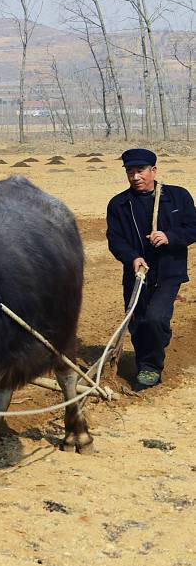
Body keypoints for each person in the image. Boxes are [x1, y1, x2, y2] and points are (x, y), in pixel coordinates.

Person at [106, 147, 196, 390]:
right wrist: (132, 257)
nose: (135, 177)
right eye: (130, 171)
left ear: (153, 170)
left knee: (155, 318)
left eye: (141, 171)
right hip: (137, 273)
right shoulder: (119, 204)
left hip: (168, 272)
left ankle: (150, 367)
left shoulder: (178, 197)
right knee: (138, 322)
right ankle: (147, 356)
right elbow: (115, 240)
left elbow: (192, 228)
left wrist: (170, 236)